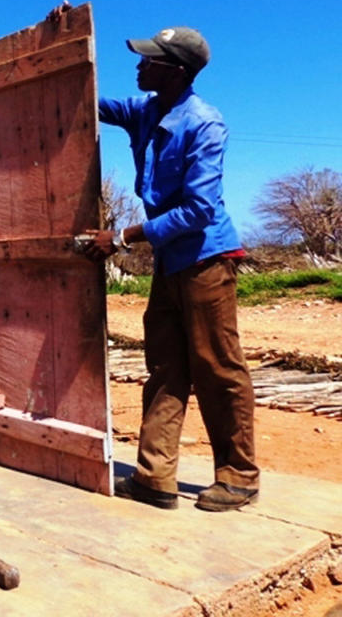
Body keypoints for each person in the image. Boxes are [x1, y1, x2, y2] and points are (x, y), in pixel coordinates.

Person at [81, 25, 260, 511]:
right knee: (164, 367)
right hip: (171, 262)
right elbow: (85, 98)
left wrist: (121, 237)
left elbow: (200, 209)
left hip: (205, 260)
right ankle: (154, 477)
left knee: (217, 367)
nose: (139, 66)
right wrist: (58, 42)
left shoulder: (204, 123)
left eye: (149, 60)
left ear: (176, 71)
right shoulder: (147, 110)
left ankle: (239, 475)